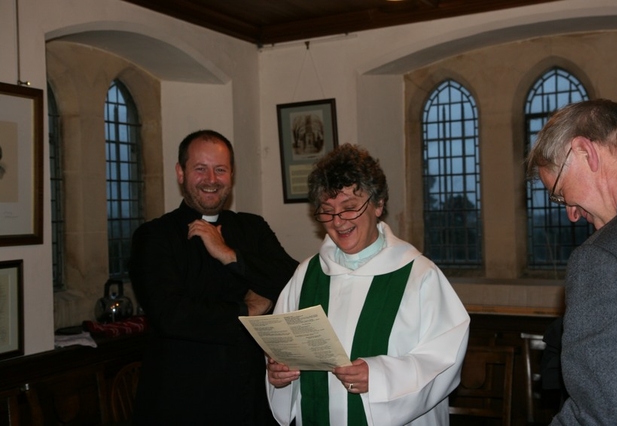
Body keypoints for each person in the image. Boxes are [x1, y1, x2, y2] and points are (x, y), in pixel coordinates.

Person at [266, 143, 470, 425]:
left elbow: (444, 359)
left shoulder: (418, 275)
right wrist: (278, 375)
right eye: (327, 210)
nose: (338, 222)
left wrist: (380, 375)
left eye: (350, 208)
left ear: (378, 204)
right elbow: (282, 350)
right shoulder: (306, 275)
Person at [129, 130, 298, 425]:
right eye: (200, 169)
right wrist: (248, 310)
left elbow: (296, 279)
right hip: (184, 402)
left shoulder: (252, 227)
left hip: (252, 397)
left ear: (231, 175)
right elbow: (172, 315)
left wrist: (230, 255)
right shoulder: (155, 236)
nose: (211, 179)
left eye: (220, 169)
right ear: (180, 173)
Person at [525, 99, 617, 425]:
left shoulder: (605, 257)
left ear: (584, 152)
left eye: (561, 193)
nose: (572, 214)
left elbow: (607, 415)